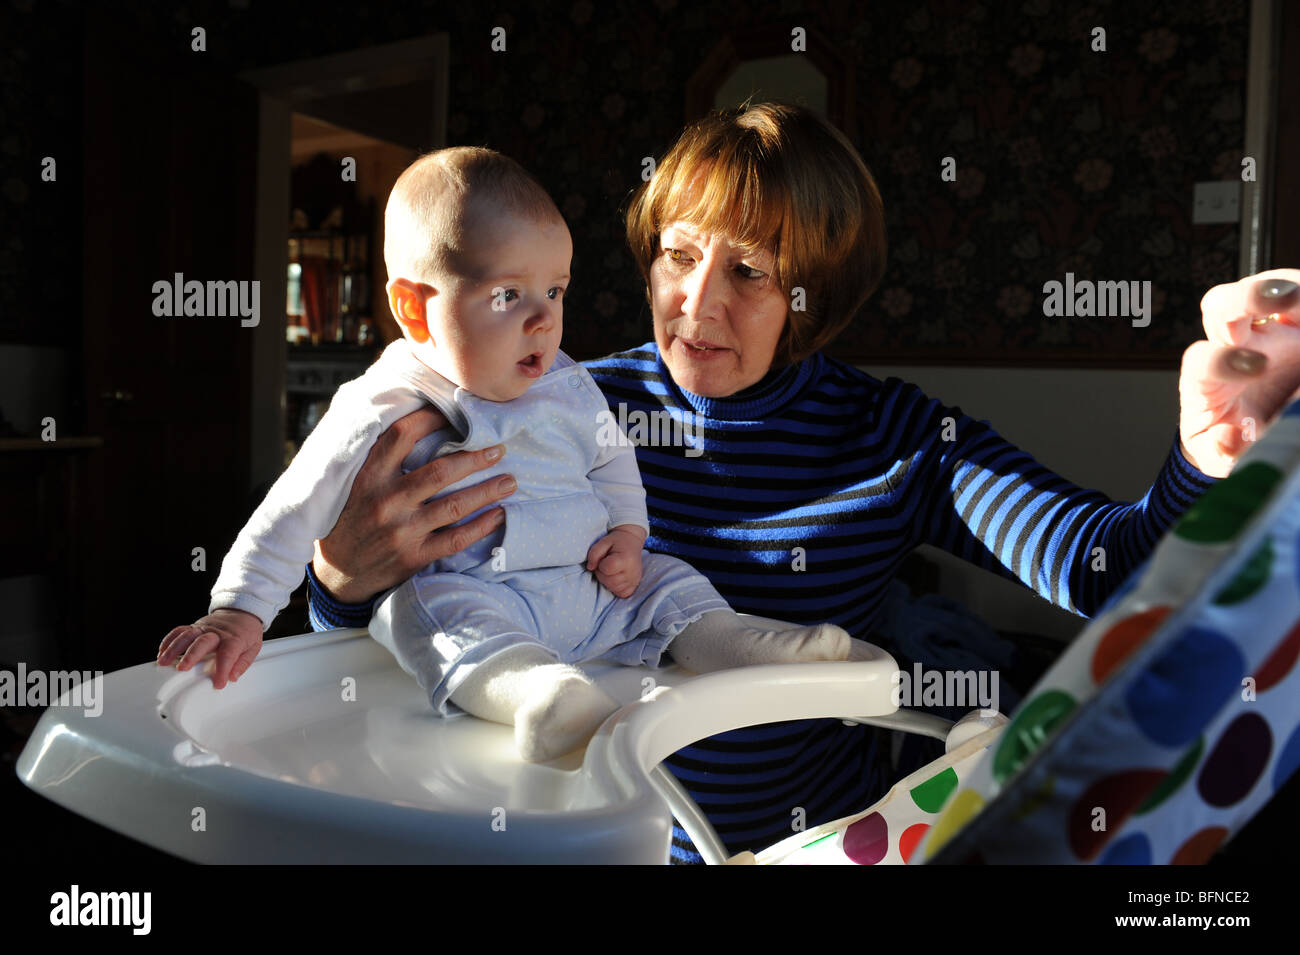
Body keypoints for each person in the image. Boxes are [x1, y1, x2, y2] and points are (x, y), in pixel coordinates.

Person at [195, 102, 1300, 863]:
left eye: (752, 271)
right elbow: (400, 607)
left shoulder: (898, 435)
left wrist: (1205, 451)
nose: (695, 304)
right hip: (560, 833)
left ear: (818, 290)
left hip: (811, 840)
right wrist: (340, 575)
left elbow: (1111, 573)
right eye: (678, 254)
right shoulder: (541, 399)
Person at [157, 146, 850, 763]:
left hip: (591, 589)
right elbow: (293, 507)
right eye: (509, 294)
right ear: (416, 309)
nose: (545, 319)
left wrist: (631, 533)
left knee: (667, 579)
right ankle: (538, 695)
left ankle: (734, 644)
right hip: (479, 594)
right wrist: (239, 609)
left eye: (555, 289)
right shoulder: (383, 403)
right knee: (420, 611)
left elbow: (611, 459)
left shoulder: (569, 381)